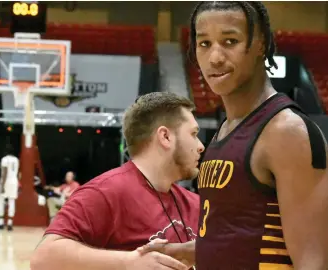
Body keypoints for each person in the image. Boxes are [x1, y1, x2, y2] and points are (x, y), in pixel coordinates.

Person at [186, 2, 328, 269]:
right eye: (205, 43)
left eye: (230, 41)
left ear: (261, 44)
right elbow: (228, 241)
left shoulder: (287, 133)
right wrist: (170, 252)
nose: (215, 58)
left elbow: (313, 263)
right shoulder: (225, 130)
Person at [31, 92, 204, 270]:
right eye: (193, 134)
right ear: (165, 137)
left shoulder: (195, 203)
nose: (201, 146)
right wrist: (128, 262)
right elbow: (43, 258)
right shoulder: (105, 193)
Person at [0, 144, 19, 231]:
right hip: (14, 181)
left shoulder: (4, 159)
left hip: (6, 181)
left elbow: (4, 173)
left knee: (0, 200)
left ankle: (0, 223)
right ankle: (10, 223)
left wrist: (2, 185)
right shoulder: (16, 160)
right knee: (12, 201)